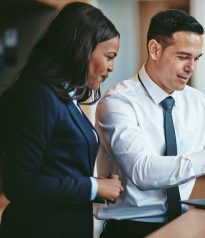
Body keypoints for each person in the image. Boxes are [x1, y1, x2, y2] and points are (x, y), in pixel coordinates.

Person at [94, 9, 205, 238]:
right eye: (183, 57)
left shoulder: (198, 102)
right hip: (130, 230)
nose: (192, 67)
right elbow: (143, 171)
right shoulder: (118, 103)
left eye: (196, 58)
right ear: (154, 49)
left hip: (185, 226)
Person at [0, 2, 124, 238]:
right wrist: (93, 186)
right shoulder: (37, 95)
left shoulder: (66, 97)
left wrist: (97, 184)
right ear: (82, 49)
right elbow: (19, 184)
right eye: (109, 56)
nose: (111, 67)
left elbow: (59, 167)